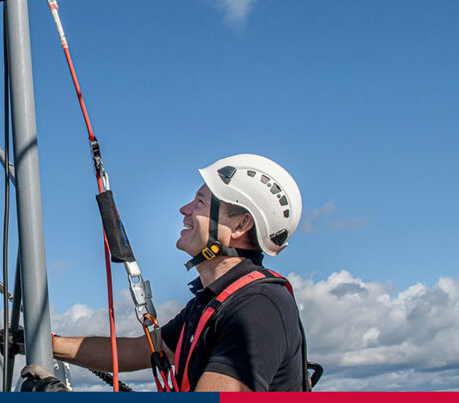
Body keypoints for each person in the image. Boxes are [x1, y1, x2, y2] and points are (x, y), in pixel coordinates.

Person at [51, 154, 310, 391]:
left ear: (240, 225)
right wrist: (46, 343)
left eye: (200, 202)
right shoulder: (212, 303)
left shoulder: (258, 307)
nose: (185, 210)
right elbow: (139, 350)